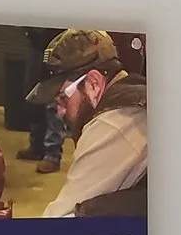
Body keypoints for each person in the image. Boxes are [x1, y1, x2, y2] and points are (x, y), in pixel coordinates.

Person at [27, 29, 146, 217]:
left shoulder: (115, 122)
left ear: (93, 83)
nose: (60, 111)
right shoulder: (135, 95)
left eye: (62, 99)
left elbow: (58, 223)